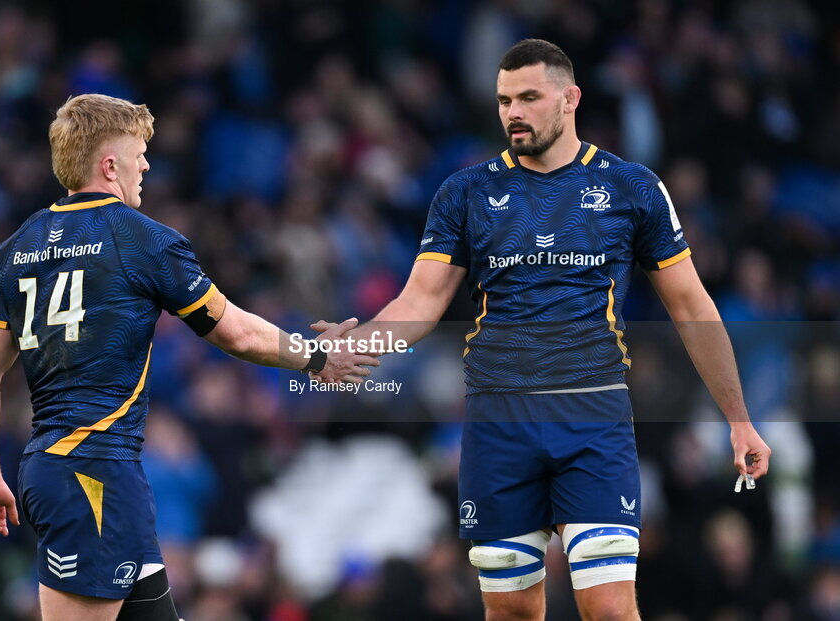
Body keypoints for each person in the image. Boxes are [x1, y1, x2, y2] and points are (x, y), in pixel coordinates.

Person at [313, 39, 771, 621]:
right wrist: (356, 343)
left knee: (607, 608)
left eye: (529, 97)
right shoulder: (465, 193)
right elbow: (420, 304)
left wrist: (739, 420)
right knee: (512, 612)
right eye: (504, 100)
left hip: (593, 417)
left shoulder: (631, 187)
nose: (514, 113)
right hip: (498, 423)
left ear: (570, 98)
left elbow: (693, 307)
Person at [0, 93, 375, 621]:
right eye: (139, 153)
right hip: (95, 474)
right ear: (109, 165)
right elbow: (237, 335)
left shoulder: (14, 251)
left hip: (63, 471)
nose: (147, 165)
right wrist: (316, 357)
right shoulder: (143, 241)